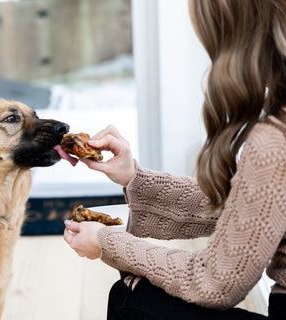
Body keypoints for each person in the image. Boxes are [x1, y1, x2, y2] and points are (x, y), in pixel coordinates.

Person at [63, 0, 286, 319]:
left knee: (130, 297)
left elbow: (215, 283)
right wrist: (134, 178)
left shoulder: (274, 140)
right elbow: (253, 210)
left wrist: (107, 242)